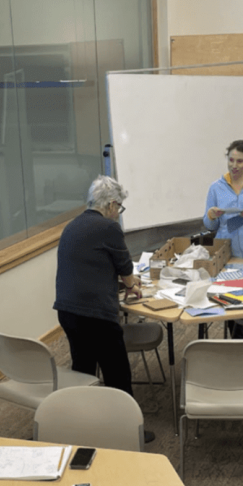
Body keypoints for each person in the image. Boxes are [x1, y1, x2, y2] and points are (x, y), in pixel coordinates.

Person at [54, 175, 154, 443]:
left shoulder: (73, 225)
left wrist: (121, 281)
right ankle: (128, 429)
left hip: (67, 310)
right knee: (117, 371)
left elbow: (91, 264)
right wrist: (131, 285)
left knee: (83, 368)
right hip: (95, 313)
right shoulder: (108, 228)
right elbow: (125, 267)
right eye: (119, 208)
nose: (118, 214)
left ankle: (84, 426)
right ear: (111, 204)